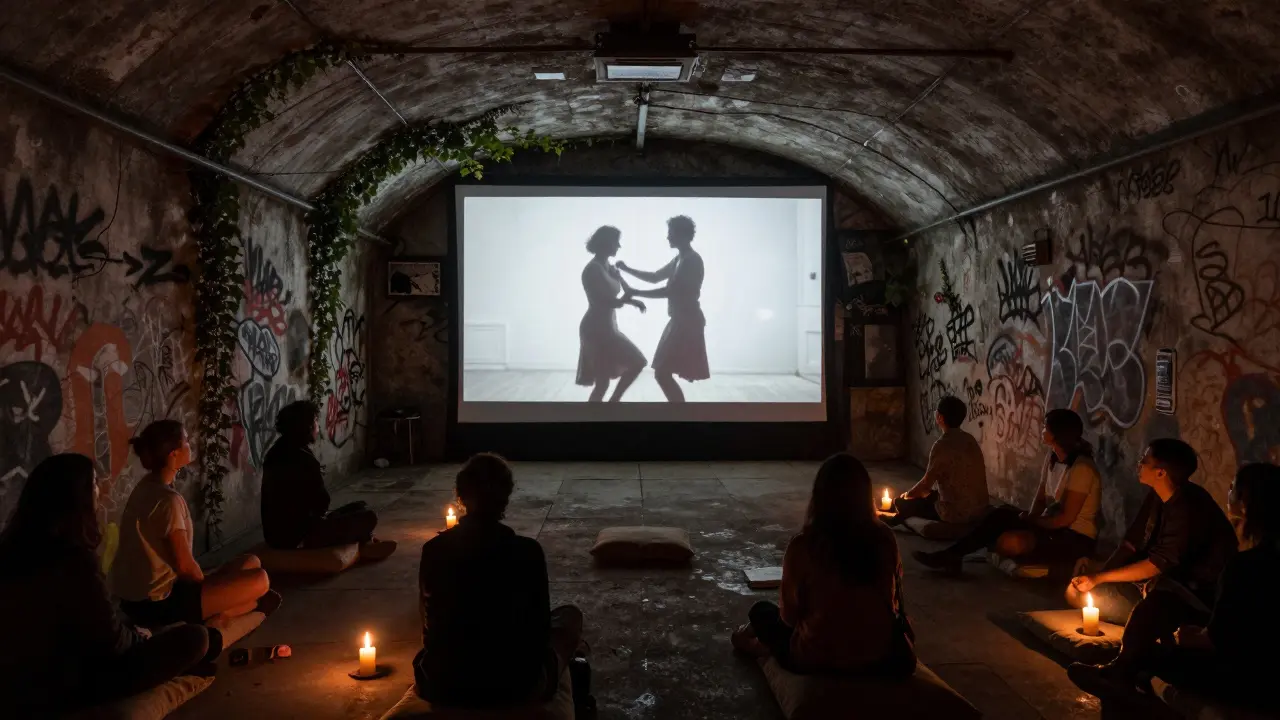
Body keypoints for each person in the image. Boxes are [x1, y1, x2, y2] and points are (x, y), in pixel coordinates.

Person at [0, 454, 213, 718]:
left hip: (23, 681)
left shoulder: (11, 547)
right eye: (94, 484)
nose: (100, 491)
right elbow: (110, 642)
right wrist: (141, 637)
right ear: (78, 498)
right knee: (199, 638)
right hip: (68, 682)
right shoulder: (72, 558)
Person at [1097, 462, 1278, 714]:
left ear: (1245, 504)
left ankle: (1130, 690)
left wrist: (1192, 636)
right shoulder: (1157, 500)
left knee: (1147, 651)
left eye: (1233, 487)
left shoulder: (1244, 566)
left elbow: (1220, 641)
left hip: (1248, 681)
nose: (1228, 491)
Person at [1065, 439, 1237, 695]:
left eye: (1144, 460)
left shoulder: (1189, 506)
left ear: (1161, 472)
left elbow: (1158, 564)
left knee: (1153, 606)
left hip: (1199, 594)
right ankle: (1141, 652)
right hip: (1164, 581)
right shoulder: (1157, 496)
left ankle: (1121, 671)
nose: (1138, 464)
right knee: (1094, 594)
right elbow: (1131, 544)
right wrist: (1098, 577)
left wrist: (1100, 578)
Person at [414, 453, 586, 707]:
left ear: (460, 495)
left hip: (444, 685)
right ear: (505, 498)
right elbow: (539, 629)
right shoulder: (528, 552)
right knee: (569, 617)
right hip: (517, 688)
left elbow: (428, 623)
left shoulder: (433, 550)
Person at [731, 453, 910, 676]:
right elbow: (893, 603)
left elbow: (788, 619)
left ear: (819, 496)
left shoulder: (804, 545)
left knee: (761, 612)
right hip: (881, 660)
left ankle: (754, 645)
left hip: (817, 658)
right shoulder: (884, 538)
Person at [111, 420, 278, 629]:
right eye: (186, 441)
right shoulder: (167, 500)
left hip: (141, 599)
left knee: (251, 561)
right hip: (158, 604)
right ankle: (216, 617)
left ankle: (228, 608)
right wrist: (210, 585)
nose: (190, 444)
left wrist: (217, 582)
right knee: (261, 580)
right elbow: (185, 567)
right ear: (173, 453)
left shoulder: (146, 488)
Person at [914, 408, 1100, 574]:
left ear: (1057, 434)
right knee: (1001, 514)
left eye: (1045, 427)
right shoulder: (1052, 458)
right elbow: (1040, 499)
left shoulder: (1082, 468)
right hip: (1049, 525)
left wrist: (1032, 521)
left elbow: (1065, 519)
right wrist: (1029, 518)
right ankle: (951, 555)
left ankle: (1055, 564)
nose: (1042, 430)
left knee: (1007, 543)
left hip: (1074, 537)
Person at [261, 401, 396, 558]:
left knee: (359, 506)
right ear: (307, 426)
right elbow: (322, 503)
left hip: (274, 535)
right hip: (297, 537)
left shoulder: (276, 451)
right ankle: (366, 543)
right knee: (368, 517)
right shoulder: (304, 459)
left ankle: (366, 540)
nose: (318, 425)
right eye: (316, 421)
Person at [618, 215, 709, 402]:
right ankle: (679, 414)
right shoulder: (680, 259)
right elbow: (655, 276)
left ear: (682, 234)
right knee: (662, 372)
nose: (668, 237)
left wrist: (634, 291)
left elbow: (670, 291)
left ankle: (679, 415)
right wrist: (626, 269)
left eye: (671, 233)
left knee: (662, 372)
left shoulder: (691, 260)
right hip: (679, 321)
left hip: (687, 322)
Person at [890, 396, 989, 528]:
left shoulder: (942, 445)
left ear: (940, 417)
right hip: (980, 510)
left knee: (901, 503)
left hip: (956, 514)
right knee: (931, 495)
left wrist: (906, 496)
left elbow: (926, 484)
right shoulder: (970, 439)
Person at [575, 225, 648, 402]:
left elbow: (620, 294)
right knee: (602, 383)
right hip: (596, 329)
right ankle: (602, 412)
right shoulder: (593, 269)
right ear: (606, 243)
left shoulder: (607, 266)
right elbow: (604, 301)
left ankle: (612, 403)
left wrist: (629, 297)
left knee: (635, 364)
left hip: (608, 326)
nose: (619, 246)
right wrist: (628, 301)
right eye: (616, 242)